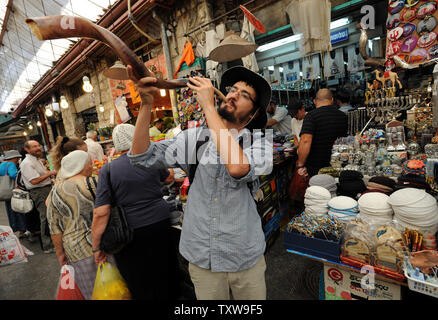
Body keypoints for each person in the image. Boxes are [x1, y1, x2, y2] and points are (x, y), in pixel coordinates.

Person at [127, 65, 273, 300]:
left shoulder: (260, 143)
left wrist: (207, 106)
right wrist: (146, 105)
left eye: (244, 95)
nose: (234, 95)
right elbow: (140, 157)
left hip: (244, 255)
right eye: (233, 89)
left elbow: (237, 168)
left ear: (253, 114)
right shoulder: (193, 139)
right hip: (202, 256)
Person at [91, 123, 177, 300]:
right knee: (166, 271)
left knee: (138, 278)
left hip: (130, 232)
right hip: (160, 222)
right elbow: (169, 176)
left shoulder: (108, 170)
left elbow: (101, 212)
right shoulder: (149, 160)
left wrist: (96, 247)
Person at [46, 150, 105, 300]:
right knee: (114, 288)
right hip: (104, 244)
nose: (91, 166)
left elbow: (55, 227)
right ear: (82, 166)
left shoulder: (54, 192)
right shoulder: (96, 182)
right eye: (89, 163)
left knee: (91, 292)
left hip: (76, 251)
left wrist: (60, 254)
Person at [296, 89, 348, 177]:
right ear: (332, 100)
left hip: (317, 169)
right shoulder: (343, 116)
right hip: (339, 166)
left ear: (315, 101)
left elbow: (305, 141)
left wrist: (300, 164)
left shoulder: (311, 116)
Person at [21, 140, 57, 253]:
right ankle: (47, 245)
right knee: (45, 216)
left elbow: (41, 176)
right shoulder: (27, 163)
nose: (38, 148)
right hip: (39, 191)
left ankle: (53, 241)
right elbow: (34, 180)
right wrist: (50, 174)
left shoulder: (36, 160)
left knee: (50, 215)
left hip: (45, 188)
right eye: (34, 147)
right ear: (27, 149)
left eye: (38, 146)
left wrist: (50, 179)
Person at [0, 150, 27, 238]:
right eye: (17, 158)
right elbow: (13, 175)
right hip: (13, 192)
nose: (18, 159)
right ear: (13, 158)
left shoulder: (2, 165)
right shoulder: (11, 164)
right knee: (19, 209)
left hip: (5, 193)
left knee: (11, 211)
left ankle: (15, 228)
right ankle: (22, 229)